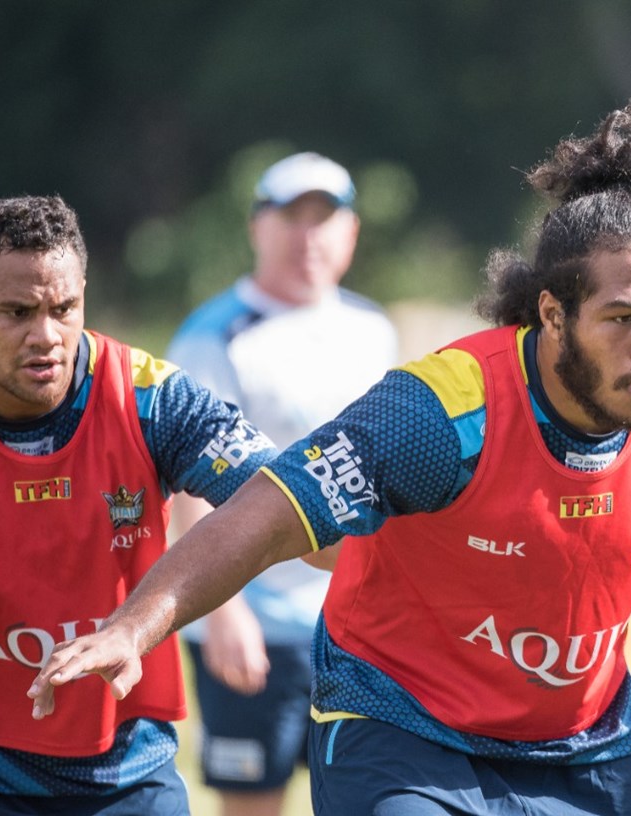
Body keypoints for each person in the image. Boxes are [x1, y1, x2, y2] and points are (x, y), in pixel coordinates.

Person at [30, 105, 631, 816]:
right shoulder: (444, 412)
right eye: (621, 319)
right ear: (553, 316)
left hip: (588, 744)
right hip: (407, 733)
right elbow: (269, 512)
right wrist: (134, 627)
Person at [0, 195, 282, 815]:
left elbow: (286, 504)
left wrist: (136, 627)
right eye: (17, 312)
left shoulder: (152, 399)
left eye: (63, 309)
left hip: (127, 772)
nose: (46, 336)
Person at [165, 151, 398, 816]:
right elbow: (188, 483)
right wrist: (223, 611)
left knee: (368, 797)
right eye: (291, 217)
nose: (308, 236)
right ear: (256, 227)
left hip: (355, 624)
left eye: (324, 218)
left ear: (351, 232)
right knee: (253, 802)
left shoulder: (372, 330)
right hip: (255, 623)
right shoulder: (215, 337)